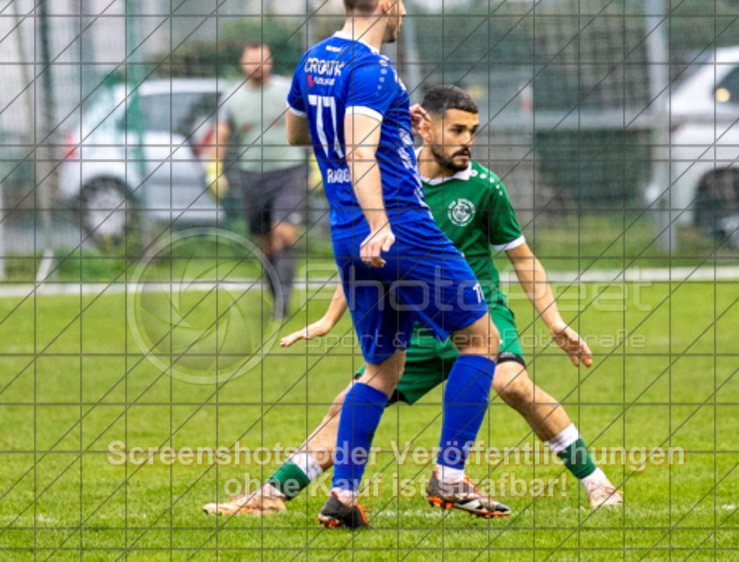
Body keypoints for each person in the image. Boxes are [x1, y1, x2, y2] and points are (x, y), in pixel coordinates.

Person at [203, 86, 622, 519]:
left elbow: (523, 257)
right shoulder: (389, 184)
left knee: (513, 385)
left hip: (478, 313)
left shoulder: (484, 188)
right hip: (417, 323)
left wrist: (554, 322)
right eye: (457, 129)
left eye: (473, 131)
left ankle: (598, 484)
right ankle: (272, 495)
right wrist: (330, 318)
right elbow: (368, 256)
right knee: (349, 403)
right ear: (426, 128)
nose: (468, 140)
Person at [279, 0, 507, 529]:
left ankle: (344, 497)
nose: (402, 8)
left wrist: (387, 123)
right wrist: (382, 220)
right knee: (481, 339)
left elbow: (295, 130)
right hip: (397, 227)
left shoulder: (315, 60)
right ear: (384, 3)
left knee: (382, 367)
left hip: (345, 233)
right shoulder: (373, 69)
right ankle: (450, 476)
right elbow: (359, 151)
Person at [213, 43, 305, 319]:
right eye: (252, 62)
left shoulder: (287, 91)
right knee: (265, 242)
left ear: (271, 62)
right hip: (252, 175)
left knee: (284, 233)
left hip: (290, 171)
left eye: (262, 61)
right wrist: (213, 170)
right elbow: (221, 134)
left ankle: (283, 303)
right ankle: (277, 295)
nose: (257, 67)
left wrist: (316, 164)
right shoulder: (231, 98)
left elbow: (309, 124)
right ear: (242, 64)